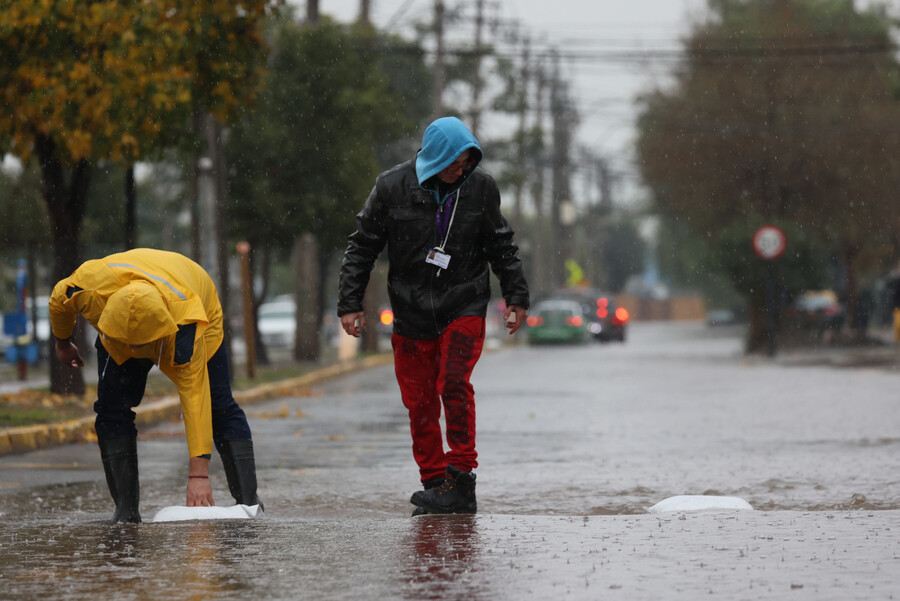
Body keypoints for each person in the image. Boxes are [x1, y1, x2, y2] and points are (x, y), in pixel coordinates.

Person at [338, 116, 530, 515]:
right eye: (458, 161)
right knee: (419, 400)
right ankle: (435, 483)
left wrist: (516, 296)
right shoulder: (390, 187)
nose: (464, 168)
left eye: (469, 160)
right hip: (410, 312)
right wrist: (350, 303)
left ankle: (462, 479)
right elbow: (362, 247)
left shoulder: (480, 188)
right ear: (437, 156)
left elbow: (501, 245)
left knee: (453, 382)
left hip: (464, 303)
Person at [49, 248, 262, 523]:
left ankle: (248, 502)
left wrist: (198, 475)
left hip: (193, 305)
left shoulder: (187, 327)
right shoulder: (86, 288)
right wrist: (63, 342)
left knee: (217, 404)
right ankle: (125, 511)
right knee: (111, 410)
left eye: (141, 343)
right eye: (129, 342)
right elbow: (58, 299)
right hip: (118, 329)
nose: (135, 348)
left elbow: (195, 398)